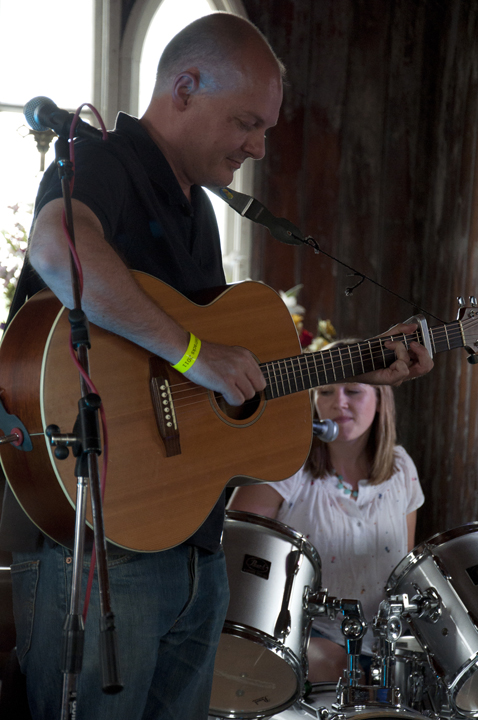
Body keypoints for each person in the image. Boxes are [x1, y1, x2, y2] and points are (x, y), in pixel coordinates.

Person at [0, 12, 432, 720]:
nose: (257, 146)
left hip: (196, 552)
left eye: (265, 129)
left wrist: (354, 368)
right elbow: (59, 251)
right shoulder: (103, 159)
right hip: (109, 554)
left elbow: (228, 382)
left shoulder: (198, 209)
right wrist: (194, 353)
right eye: (247, 122)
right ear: (185, 86)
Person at [228, 341, 425, 684]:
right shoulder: (286, 467)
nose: (339, 402)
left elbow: (401, 572)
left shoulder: (401, 468)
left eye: (353, 390)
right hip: (301, 634)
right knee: (344, 672)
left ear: (380, 401)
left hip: (385, 637)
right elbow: (234, 547)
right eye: (326, 391)